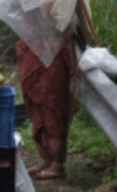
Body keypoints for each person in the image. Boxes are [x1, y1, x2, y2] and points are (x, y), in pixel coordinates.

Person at [17, 34, 80, 179]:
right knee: (37, 106)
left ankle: (57, 163)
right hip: (32, 48)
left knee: (53, 105)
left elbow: (60, 22)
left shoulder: (61, 10)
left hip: (52, 50)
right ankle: (46, 159)